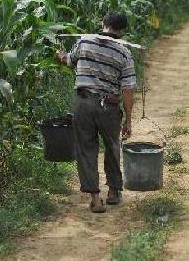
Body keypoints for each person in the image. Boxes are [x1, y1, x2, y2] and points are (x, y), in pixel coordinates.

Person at [57, 12, 135, 213]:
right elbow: (127, 90)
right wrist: (128, 120)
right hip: (109, 106)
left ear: (104, 24)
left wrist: (60, 56)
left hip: (83, 103)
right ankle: (113, 191)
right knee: (112, 146)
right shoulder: (124, 53)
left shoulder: (84, 42)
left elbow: (69, 60)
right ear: (123, 30)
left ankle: (95, 199)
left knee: (86, 149)